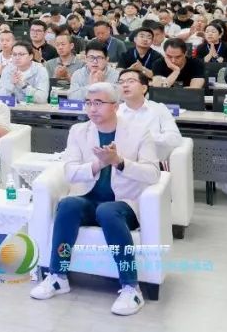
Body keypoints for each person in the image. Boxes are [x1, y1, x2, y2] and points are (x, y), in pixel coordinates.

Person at [30, 82, 159, 316]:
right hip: (88, 199)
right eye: (88, 103)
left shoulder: (140, 131)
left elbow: (152, 174)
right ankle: (58, 276)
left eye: (98, 103)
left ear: (115, 106)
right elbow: (69, 171)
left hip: (124, 204)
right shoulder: (78, 131)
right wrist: (98, 164)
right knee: (67, 204)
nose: (92, 108)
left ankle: (131, 288)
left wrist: (118, 162)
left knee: (107, 211)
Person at [117, 68, 184, 160]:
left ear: (144, 88)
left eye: (131, 81)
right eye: (121, 82)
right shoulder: (115, 111)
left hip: (155, 162)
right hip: (122, 163)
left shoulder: (159, 109)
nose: (124, 85)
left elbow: (175, 139)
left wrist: (145, 138)